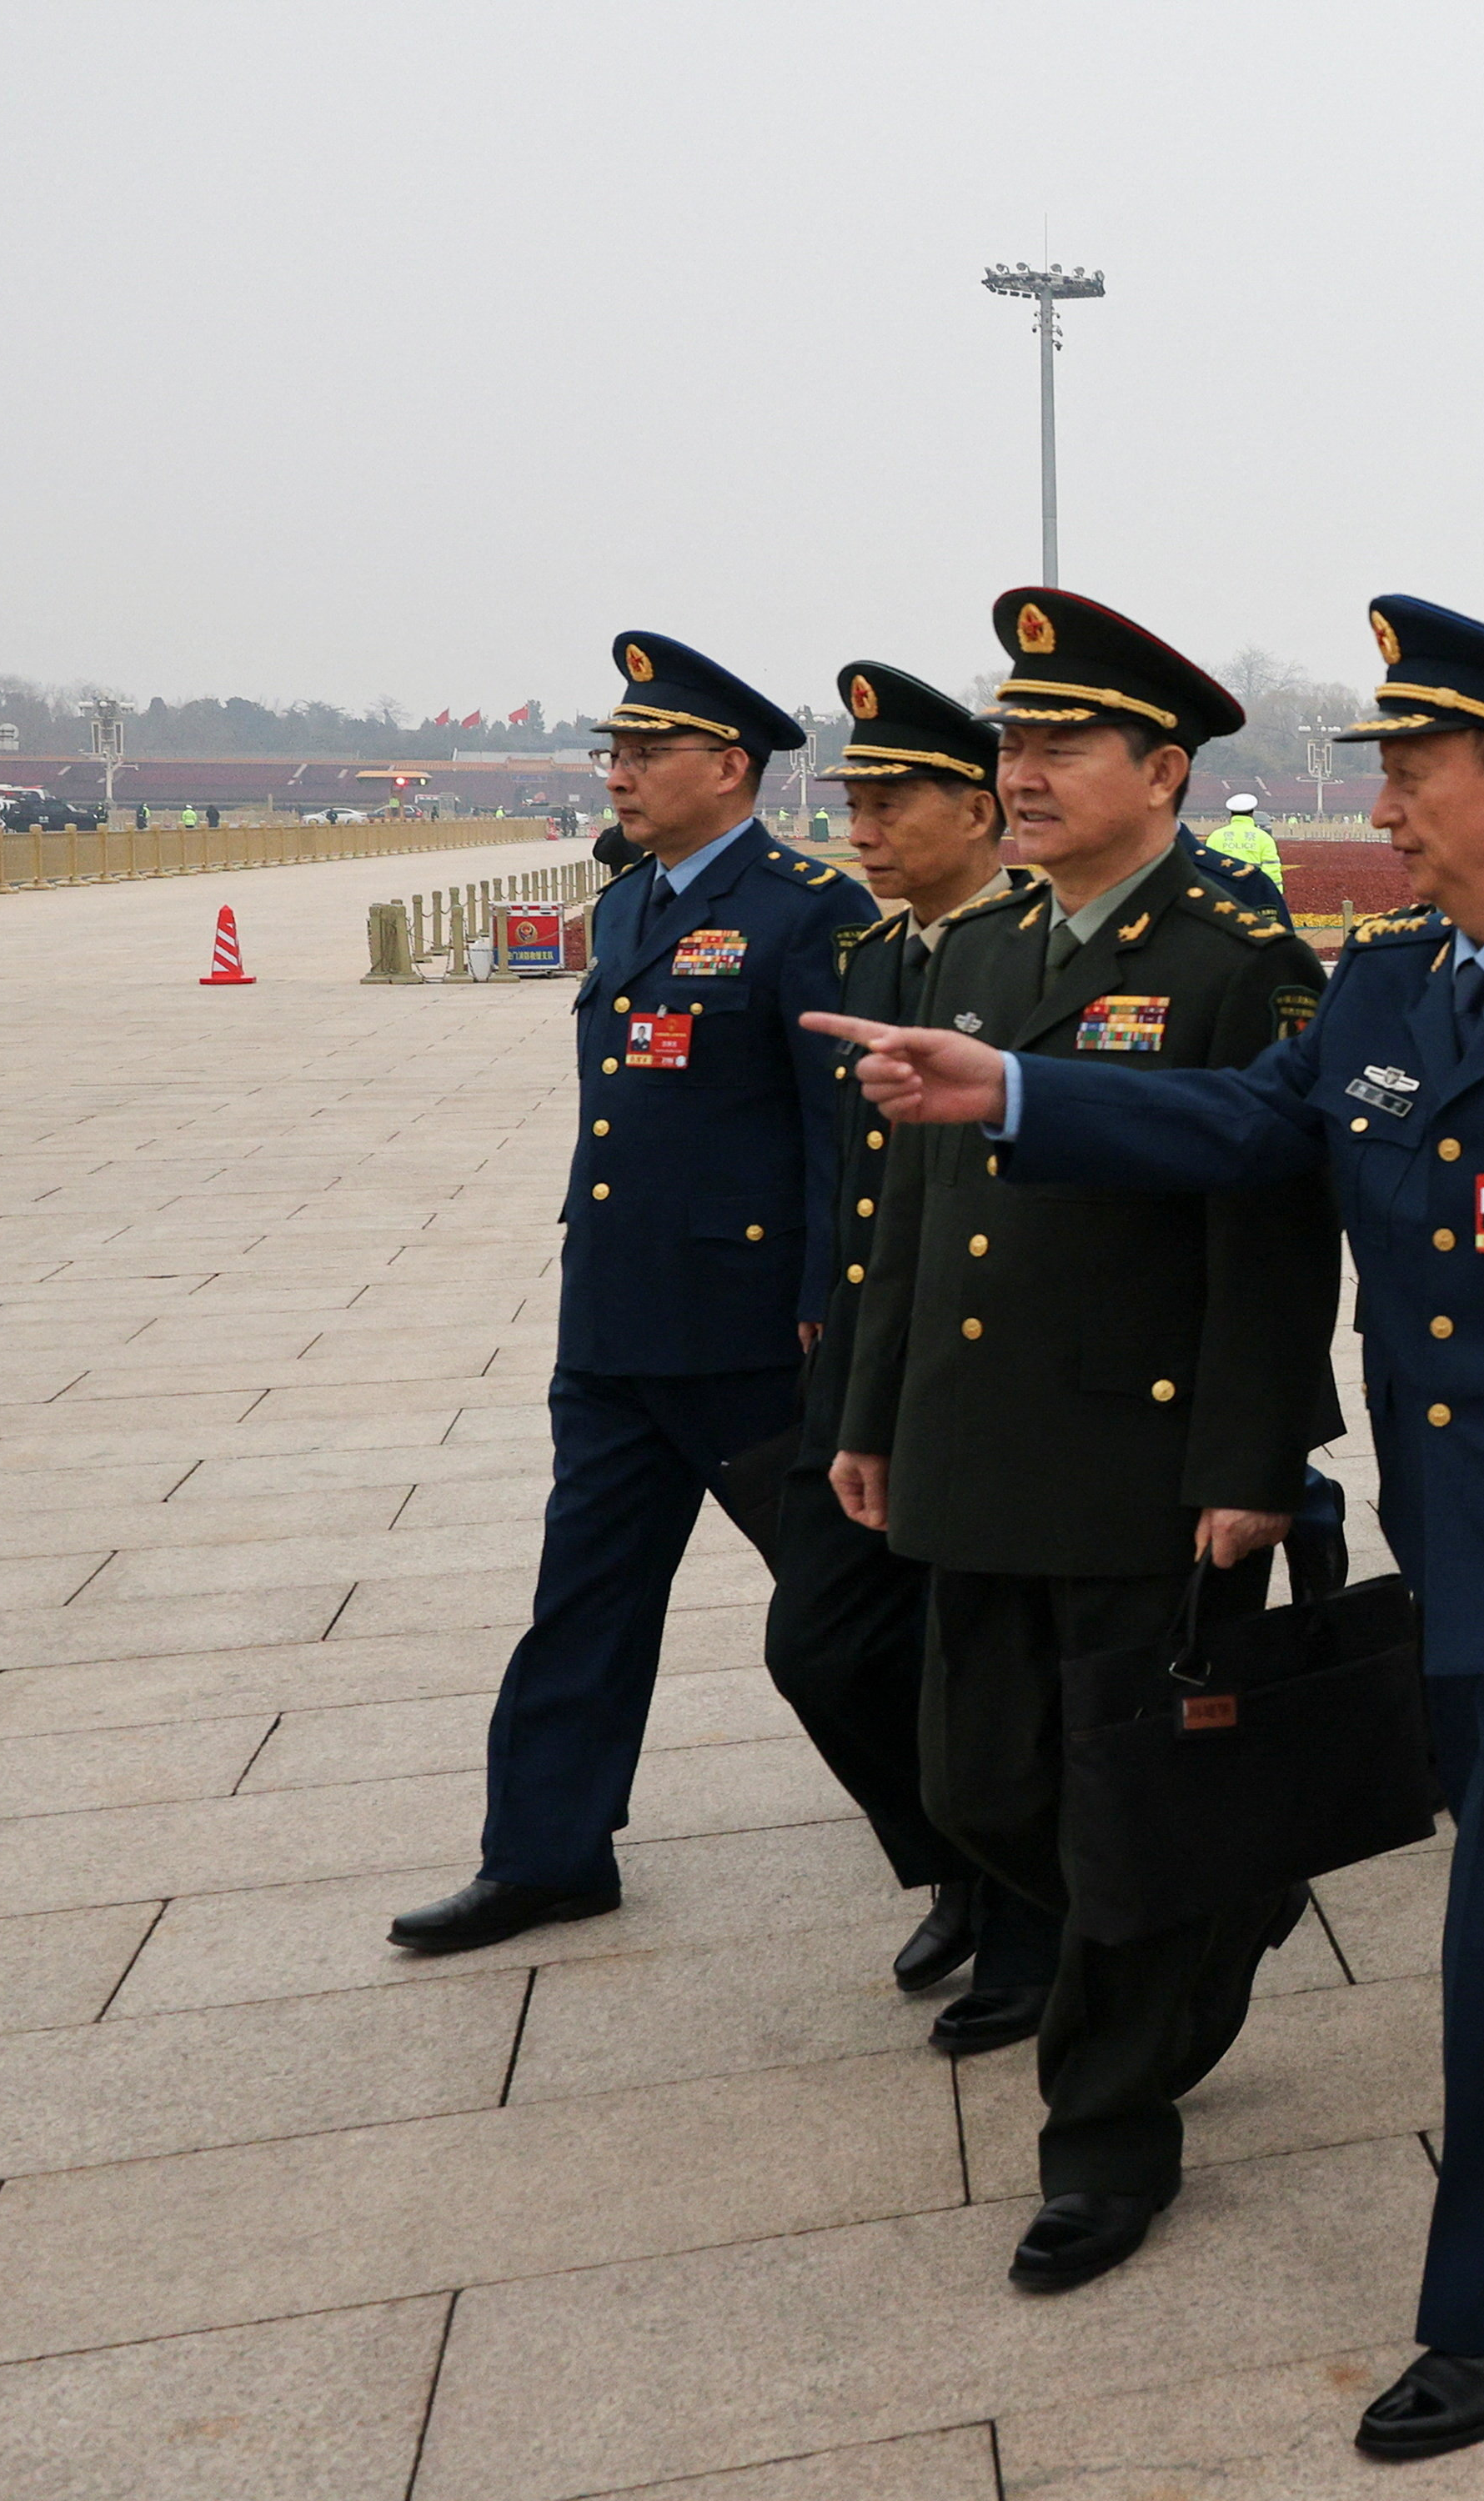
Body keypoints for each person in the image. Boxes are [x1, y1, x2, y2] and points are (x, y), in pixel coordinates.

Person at [815, 595, 1484, 2461]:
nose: (1384, 793)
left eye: (1410, 763)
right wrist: (1018, 1087)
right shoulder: (1385, 984)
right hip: (1452, 1538)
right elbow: (1247, 1131)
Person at [832, 589, 1343, 2294]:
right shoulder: (978, 947)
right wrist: (874, 1416)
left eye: (1060, 747)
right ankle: (1218, 1895)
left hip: (1143, 1459)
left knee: (1119, 1818)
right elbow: (913, 1208)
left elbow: (1273, 1229)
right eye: (1014, 745)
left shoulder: (1232, 953)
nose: (1022, 774)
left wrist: (1249, 1462)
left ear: (1166, 769)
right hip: (980, 1447)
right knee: (981, 1780)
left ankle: (1108, 2136)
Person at [390, 634, 867, 1954]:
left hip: (750, 1327)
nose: (619, 774)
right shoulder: (628, 907)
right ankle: (544, 1854)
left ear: (732, 766)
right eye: (614, 751)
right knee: (583, 1597)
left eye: (647, 752)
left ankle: (982, 1853)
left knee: (851, 1607)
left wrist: (831, 1290)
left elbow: (839, 1130)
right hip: (615, 1319)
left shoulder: (806, 911)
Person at [770, 661, 1056, 2042]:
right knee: (822, 1645)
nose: (862, 826)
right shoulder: (875, 960)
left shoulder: (1037, 953)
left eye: (890, 802)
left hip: (1000, 1368)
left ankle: (1027, 1915)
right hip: (875, 1357)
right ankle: (954, 1858)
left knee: (986, 1674)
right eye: (853, 801)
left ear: (980, 806)